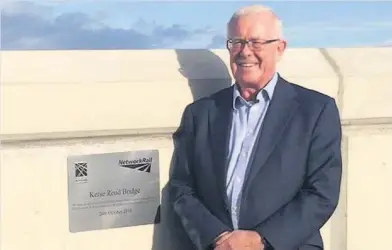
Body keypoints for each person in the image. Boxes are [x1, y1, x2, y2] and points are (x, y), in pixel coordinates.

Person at [167, 4, 342, 250]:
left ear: (280, 48)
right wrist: (217, 238)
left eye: (256, 42)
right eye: (236, 42)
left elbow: (322, 193)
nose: (245, 51)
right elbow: (181, 187)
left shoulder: (315, 110)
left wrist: (259, 240)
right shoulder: (201, 113)